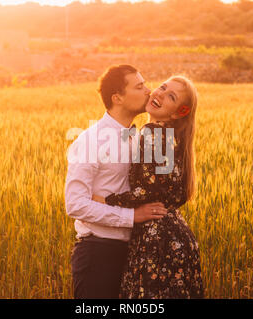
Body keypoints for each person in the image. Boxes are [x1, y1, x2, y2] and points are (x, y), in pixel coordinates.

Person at [92, 75, 203, 298]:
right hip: (175, 237)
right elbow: (169, 189)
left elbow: (151, 190)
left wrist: (108, 200)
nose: (160, 93)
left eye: (171, 96)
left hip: (157, 240)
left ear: (177, 113)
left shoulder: (154, 132)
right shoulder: (167, 136)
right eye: (162, 87)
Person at [65, 64, 168, 299]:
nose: (148, 91)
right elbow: (75, 205)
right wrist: (132, 216)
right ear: (117, 97)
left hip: (136, 252)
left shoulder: (141, 139)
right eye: (139, 86)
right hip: (98, 253)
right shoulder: (91, 140)